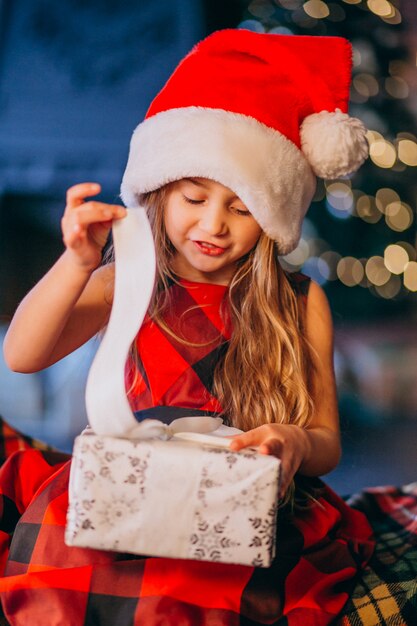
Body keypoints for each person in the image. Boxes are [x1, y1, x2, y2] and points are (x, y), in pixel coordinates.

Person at [0, 29, 373, 625]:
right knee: (72, 558)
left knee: (188, 588)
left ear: (273, 214)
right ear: (161, 193)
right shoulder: (128, 278)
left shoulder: (302, 302)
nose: (214, 224)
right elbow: (21, 354)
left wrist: (296, 444)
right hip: (130, 486)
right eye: (194, 198)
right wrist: (76, 263)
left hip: (237, 500)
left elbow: (326, 440)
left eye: (242, 207)